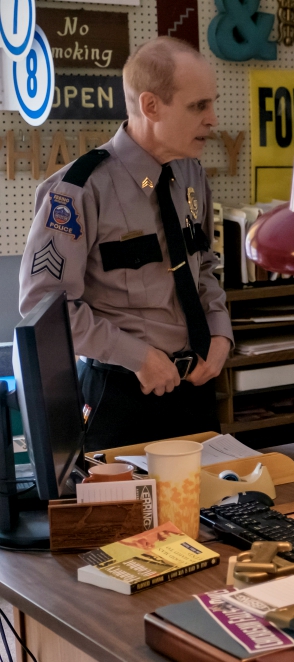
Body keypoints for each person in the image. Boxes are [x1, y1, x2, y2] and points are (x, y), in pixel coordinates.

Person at [18, 37, 233, 450]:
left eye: (212, 103)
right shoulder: (78, 190)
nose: (213, 118)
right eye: (197, 106)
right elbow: (46, 307)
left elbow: (203, 263)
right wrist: (137, 356)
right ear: (151, 106)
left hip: (194, 389)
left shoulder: (190, 175)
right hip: (121, 395)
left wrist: (220, 333)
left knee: (212, 512)